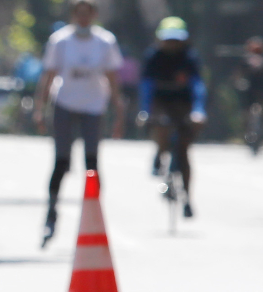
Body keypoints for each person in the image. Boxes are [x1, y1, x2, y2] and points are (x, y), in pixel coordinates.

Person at [34, 0, 124, 248]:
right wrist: (40, 108)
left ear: (93, 15)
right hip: (65, 104)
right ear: (74, 15)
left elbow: (112, 78)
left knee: (92, 163)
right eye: (79, 14)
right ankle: (51, 213)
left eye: (87, 14)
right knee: (61, 161)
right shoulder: (60, 41)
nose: (83, 19)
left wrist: (118, 110)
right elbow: (49, 75)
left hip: (94, 106)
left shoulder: (105, 41)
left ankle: (94, 216)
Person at [137, 16, 206, 218]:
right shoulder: (153, 56)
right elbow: (146, 86)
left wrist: (198, 111)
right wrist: (144, 111)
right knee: (161, 126)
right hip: (161, 103)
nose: (172, 44)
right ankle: (160, 152)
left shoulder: (189, 57)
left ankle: (187, 199)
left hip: (183, 104)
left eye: (176, 40)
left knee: (184, 151)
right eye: (168, 40)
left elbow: (197, 86)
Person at [234, 36, 263, 152]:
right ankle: (247, 134)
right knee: (246, 114)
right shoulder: (245, 60)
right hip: (249, 91)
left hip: (260, 90)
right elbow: (238, 74)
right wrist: (239, 83)